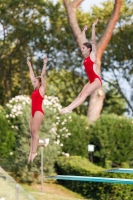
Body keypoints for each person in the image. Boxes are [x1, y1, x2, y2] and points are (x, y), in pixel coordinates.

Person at [60, 19, 102, 115]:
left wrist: (93, 27)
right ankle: (68, 108)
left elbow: (93, 41)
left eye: (83, 48)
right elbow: (84, 41)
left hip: (96, 81)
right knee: (80, 94)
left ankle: (68, 109)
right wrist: (83, 31)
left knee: (84, 94)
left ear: (88, 49)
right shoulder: (86, 57)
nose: (81, 49)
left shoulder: (92, 56)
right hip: (90, 81)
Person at [27, 56, 48, 162]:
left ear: (40, 83)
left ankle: (34, 152)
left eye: (35, 82)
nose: (33, 82)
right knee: (31, 131)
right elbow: (31, 76)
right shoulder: (34, 90)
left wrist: (44, 64)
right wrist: (30, 66)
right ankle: (31, 151)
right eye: (33, 81)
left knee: (35, 131)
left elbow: (42, 75)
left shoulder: (41, 90)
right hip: (33, 112)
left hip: (39, 111)